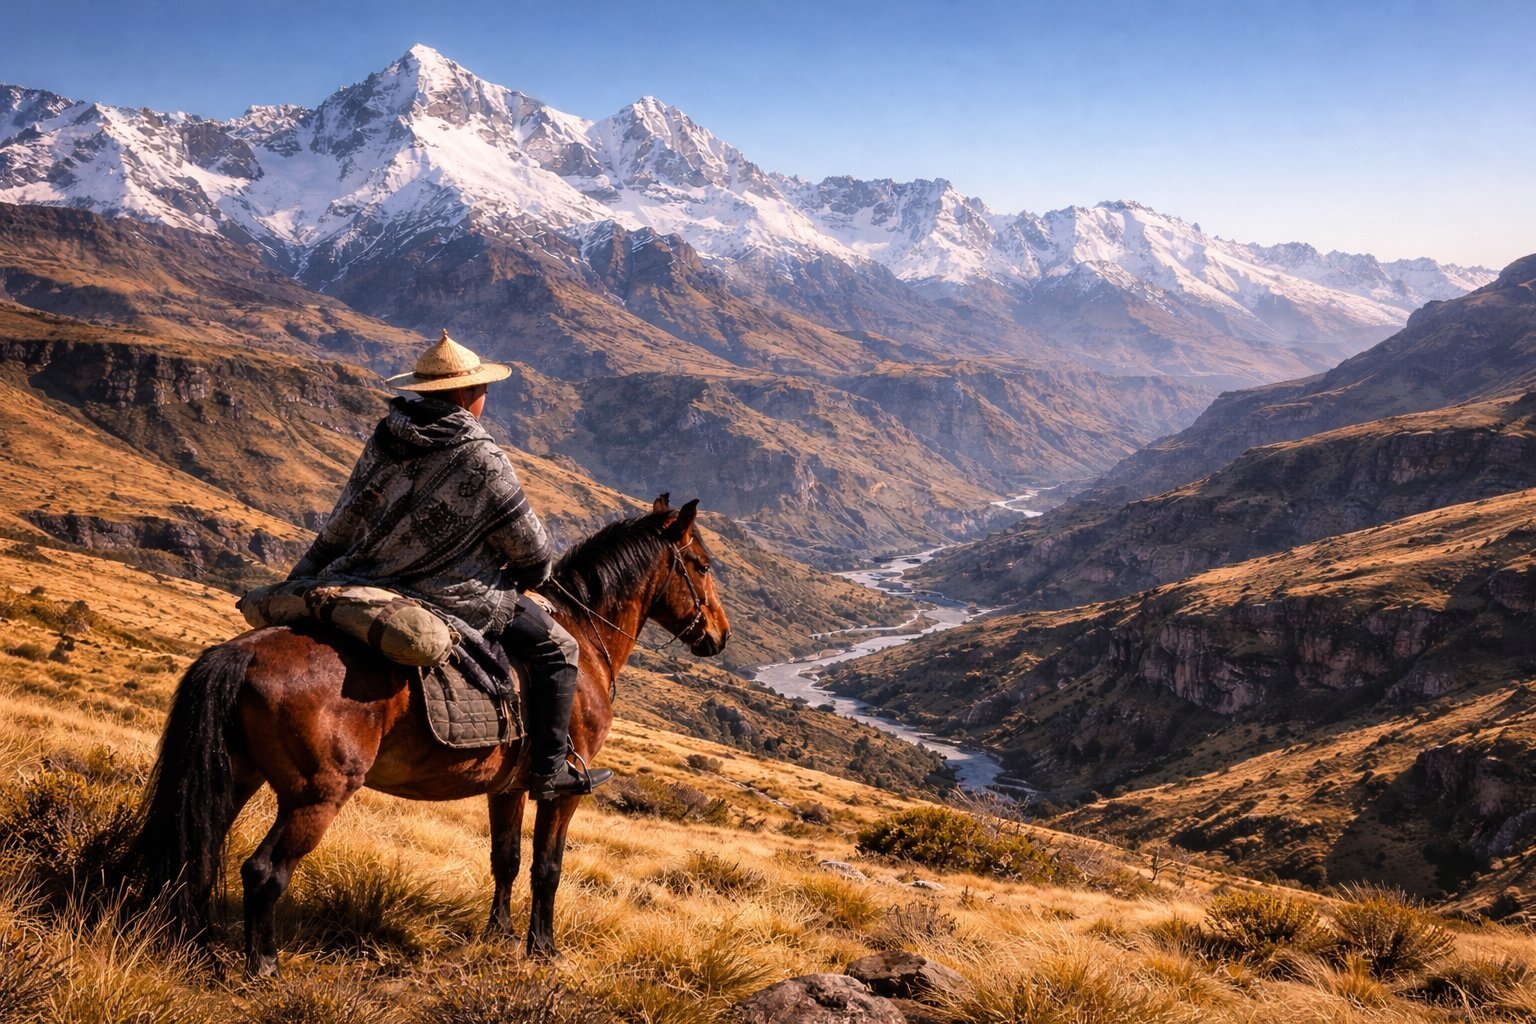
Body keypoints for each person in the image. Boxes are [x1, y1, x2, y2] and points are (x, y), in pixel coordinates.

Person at [288, 329, 612, 801]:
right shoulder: (480, 455)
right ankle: (550, 770)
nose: (485, 398)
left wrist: (305, 575)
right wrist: (528, 578)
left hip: (367, 577)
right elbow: (534, 553)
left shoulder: (386, 438)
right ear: (463, 394)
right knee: (559, 649)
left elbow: (346, 516)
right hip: (455, 594)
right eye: (482, 389)